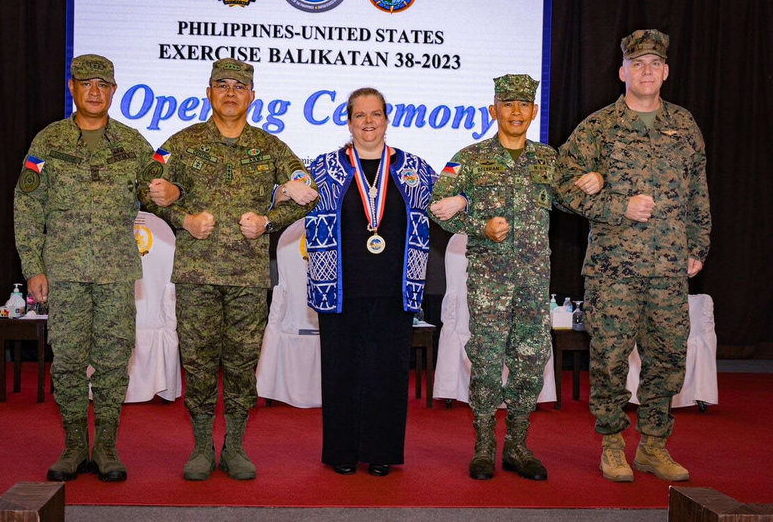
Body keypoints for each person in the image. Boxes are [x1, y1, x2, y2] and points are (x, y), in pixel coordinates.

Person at [144, 58, 317, 481]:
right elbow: (148, 189)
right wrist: (182, 217)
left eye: (240, 86)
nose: (231, 93)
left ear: (252, 97)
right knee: (199, 364)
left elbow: (306, 186)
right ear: (209, 93)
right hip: (196, 276)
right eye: (221, 85)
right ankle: (202, 446)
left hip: (247, 278)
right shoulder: (182, 143)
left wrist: (269, 221)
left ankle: (235, 446)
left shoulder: (270, 145)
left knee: (241, 364)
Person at [429, 74, 603, 481]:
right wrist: (479, 227)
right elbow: (437, 207)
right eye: (507, 104)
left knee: (530, 360)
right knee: (487, 361)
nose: (516, 112)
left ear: (534, 112)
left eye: (524, 105)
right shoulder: (468, 159)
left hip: (532, 280)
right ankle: (485, 445)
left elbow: (575, 199)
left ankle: (518, 445)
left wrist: (599, 180)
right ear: (494, 110)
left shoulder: (549, 159)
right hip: (489, 282)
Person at [555, 29, 711, 483]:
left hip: (668, 268)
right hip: (613, 270)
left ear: (666, 72)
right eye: (636, 64)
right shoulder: (599, 127)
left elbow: (699, 192)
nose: (646, 72)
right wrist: (615, 206)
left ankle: (653, 447)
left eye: (654, 65)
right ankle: (611, 446)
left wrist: (698, 246)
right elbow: (561, 188)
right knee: (609, 358)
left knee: (667, 358)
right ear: (622, 71)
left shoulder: (685, 126)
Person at [14, 54, 166, 482]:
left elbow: (156, 194)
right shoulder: (48, 142)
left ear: (114, 91)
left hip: (116, 271)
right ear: (72, 88)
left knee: (115, 360)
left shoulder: (134, 144)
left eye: (103, 84)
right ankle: (74, 445)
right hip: (63, 270)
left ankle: (106, 447)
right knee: (66, 360)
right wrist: (34, 267)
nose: (95, 91)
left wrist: (173, 192)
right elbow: (28, 205)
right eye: (86, 83)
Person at [305, 87, 435, 477]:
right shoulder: (323, 167)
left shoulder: (414, 168)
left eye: (375, 114)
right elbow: (287, 196)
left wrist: (460, 200)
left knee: (388, 374)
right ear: (348, 121)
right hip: (340, 289)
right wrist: (285, 191)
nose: (368, 122)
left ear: (386, 118)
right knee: (341, 370)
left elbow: (448, 197)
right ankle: (342, 451)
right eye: (359, 115)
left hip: (395, 289)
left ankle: (382, 452)